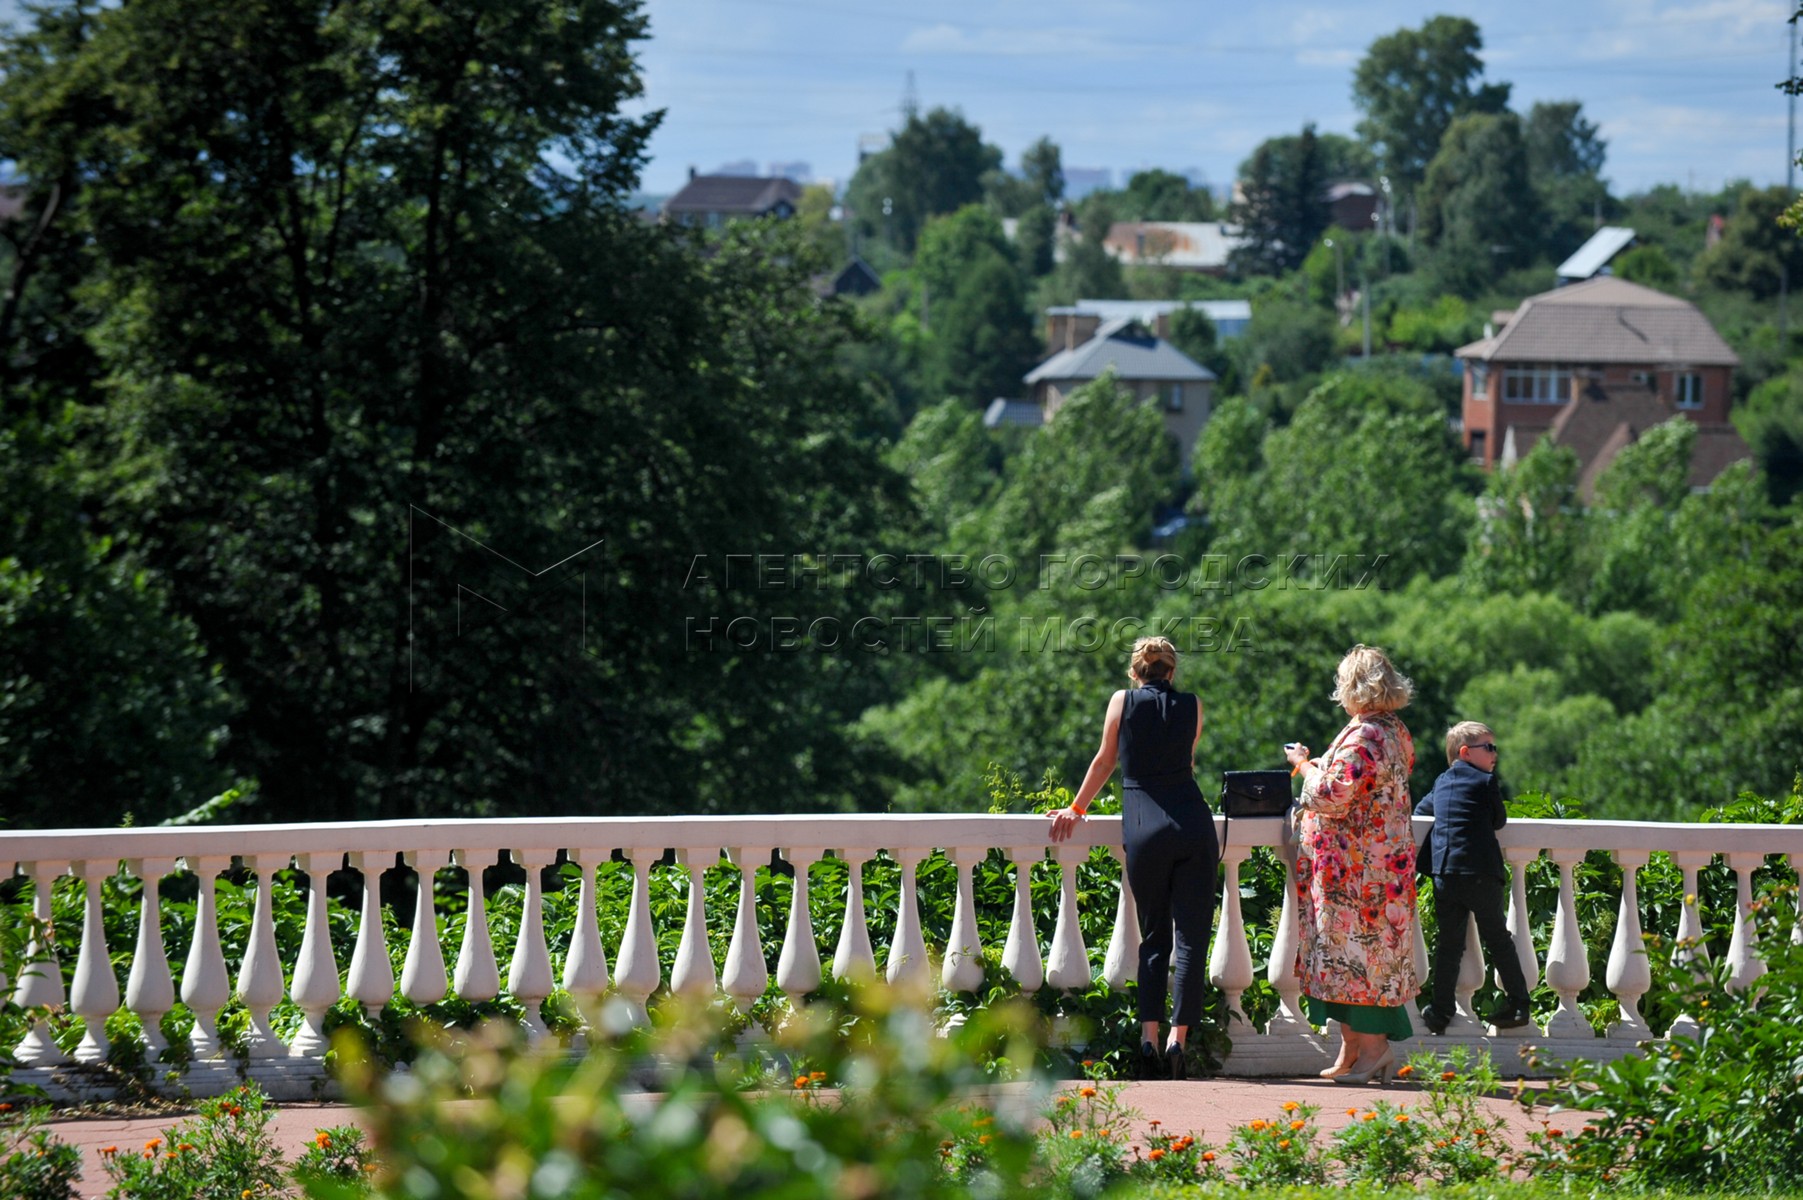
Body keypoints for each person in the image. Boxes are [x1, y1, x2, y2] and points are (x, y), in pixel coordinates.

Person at [1049, 636, 1218, 1081]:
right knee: (1191, 939)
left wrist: (1077, 808)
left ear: (1134, 671)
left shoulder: (1121, 701)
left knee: (1155, 937)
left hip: (1145, 827)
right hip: (1193, 824)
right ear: (1172, 671)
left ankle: (1148, 1038)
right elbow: (1186, 760)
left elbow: (1105, 761)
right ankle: (1178, 1040)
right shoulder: (1193, 705)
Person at [1283, 644, 1420, 1086]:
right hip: (1376, 865)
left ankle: (1375, 1051)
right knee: (1350, 959)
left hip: (1359, 872)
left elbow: (1333, 795)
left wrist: (1303, 766)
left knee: (1358, 958)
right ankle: (1352, 1048)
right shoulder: (1393, 730)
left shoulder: (1366, 735)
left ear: (1354, 686)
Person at [1414, 721, 1533, 1035]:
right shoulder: (1486, 781)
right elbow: (1499, 820)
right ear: (1466, 753)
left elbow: (1421, 811)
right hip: (1480, 873)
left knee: (1449, 945)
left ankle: (1440, 1012)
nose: (1495, 754)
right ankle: (1518, 1003)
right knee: (1498, 939)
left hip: (1445, 874)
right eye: (1489, 747)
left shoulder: (1441, 781)